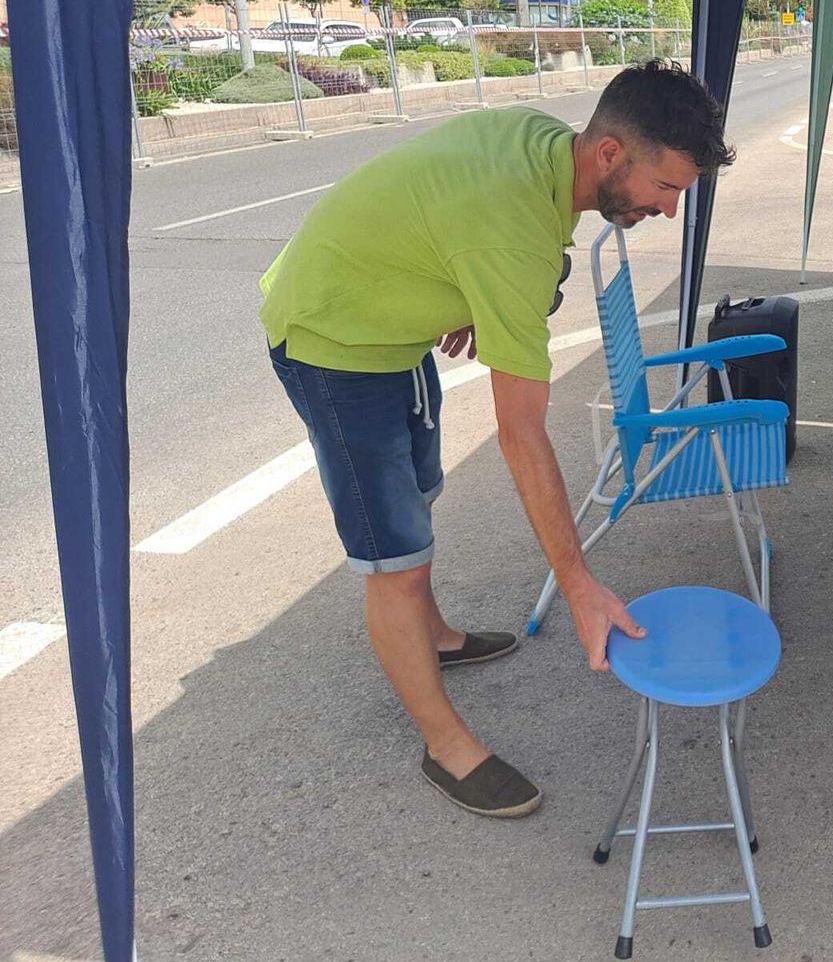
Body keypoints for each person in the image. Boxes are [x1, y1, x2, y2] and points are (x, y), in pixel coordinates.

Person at [260, 62, 734, 818]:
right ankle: (445, 747)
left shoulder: (545, 146)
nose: (671, 210)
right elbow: (521, 435)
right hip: (331, 339)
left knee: (420, 494)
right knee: (394, 557)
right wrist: (579, 584)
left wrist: (476, 290)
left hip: (394, 328)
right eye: (666, 187)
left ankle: (436, 635)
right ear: (609, 154)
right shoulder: (508, 233)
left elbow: (472, 223)